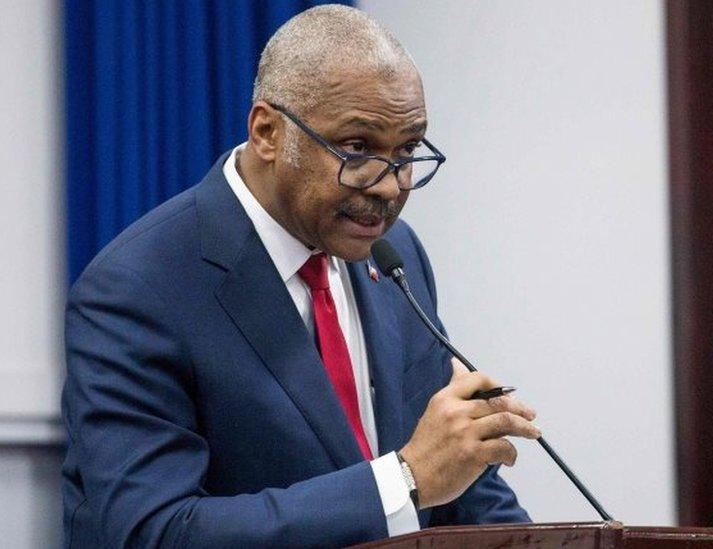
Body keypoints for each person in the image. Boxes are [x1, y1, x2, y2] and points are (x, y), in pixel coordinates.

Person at [60, 5, 539, 548]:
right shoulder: (138, 287)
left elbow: (462, 486)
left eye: (407, 150)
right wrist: (402, 480)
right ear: (268, 131)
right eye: (357, 147)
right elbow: (155, 532)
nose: (389, 186)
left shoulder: (394, 254)